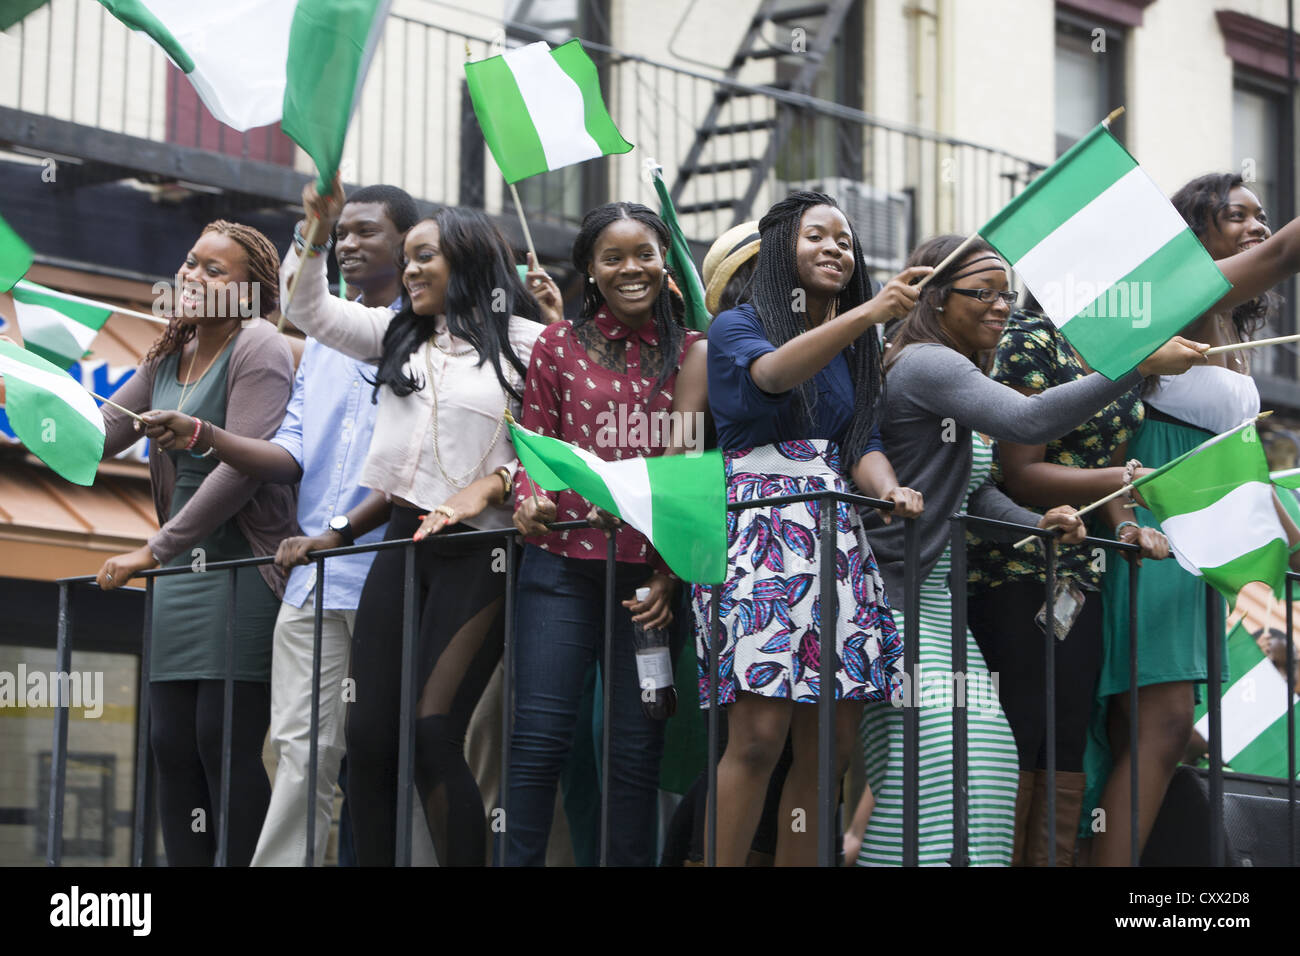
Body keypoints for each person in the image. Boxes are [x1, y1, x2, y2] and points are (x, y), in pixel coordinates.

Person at [853, 234, 1208, 866]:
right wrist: (1139, 365)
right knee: (959, 763)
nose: (1000, 306)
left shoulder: (958, 368)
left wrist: (1034, 525)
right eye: (981, 292)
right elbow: (1029, 423)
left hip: (936, 597)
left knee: (980, 765)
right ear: (934, 298)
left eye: (1005, 293)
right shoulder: (929, 363)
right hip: (891, 594)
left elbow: (973, 496)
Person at [139, 185, 419, 865]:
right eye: (340, 234)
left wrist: (162, 542)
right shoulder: (318, 344)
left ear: (410, 250)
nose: (348, 244)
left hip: (390, 571)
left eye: (365, 232)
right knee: (296, 752)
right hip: (307, 578)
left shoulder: (437, 335)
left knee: (387, 750)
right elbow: (287, 453)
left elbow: (419, 460)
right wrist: (205, 433)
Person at [286, 178, 547, 866]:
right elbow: (305, 306)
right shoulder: (396, 332)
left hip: (484, 551)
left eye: (423, 255)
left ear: (466, 259)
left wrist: (490, 485)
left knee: (433, 731)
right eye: (406, 258)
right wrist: (313, 230)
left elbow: (560, 459)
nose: (409, 269)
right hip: (403, 542)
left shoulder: (536, 345)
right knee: (370, 737)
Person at [692, 190, 930, 867]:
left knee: (830, 746)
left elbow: (862, 441)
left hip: (835, 536)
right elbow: (769, 378)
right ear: (777, 253)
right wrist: (869, 314)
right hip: (758, 532)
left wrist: (890, 489)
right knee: (759, 737)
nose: (834, 248)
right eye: (815, 236)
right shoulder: (740, 325)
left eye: (845, 241)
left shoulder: (858, 343)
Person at [1087, 173, 1300, 866]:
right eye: (1235, 215)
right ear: (1192, 233)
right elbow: (1119, 438)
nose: (1257, 225)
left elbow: (1235, 461)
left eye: (1263, 215)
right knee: (1163, 724)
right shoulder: (1170, 304)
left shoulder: (1229, 327)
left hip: (1214, 536)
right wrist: (1125, 517)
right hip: (1157, 526)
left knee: (1178, 728)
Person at [505, 201, 702, 867]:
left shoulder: (694, 352)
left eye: (643, 253)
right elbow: (537, 443)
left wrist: (671, 576)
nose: (630, 268)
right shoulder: (555, 345)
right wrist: (530, 499)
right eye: (612, 257)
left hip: (650, 583)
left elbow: (689, 475)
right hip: (559, 568)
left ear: (665, 259)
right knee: (537, 742)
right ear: (589, 269)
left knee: (633, 755)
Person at [94, 220, 296, 866]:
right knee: (169, 744)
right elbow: (100, 435)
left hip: (239, 563)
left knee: (223, 740)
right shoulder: (167, 353)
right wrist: (31, 400)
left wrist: (154, 551)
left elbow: (242, 470)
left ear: (249, 290)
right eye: (190, 263)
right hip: (181, 567)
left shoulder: (259, 344)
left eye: (215, 270)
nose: (192, 276)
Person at [964, 293, 1170, 866]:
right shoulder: (1029, 336)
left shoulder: (1123, 348)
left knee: (1068, 735)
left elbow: (1111, 478)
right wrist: (1126, 477)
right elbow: (1019, 473)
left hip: (1082, 569)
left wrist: (1127, 528)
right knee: (1021, 729)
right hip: (1015, 556)